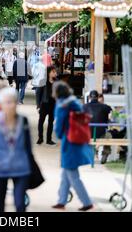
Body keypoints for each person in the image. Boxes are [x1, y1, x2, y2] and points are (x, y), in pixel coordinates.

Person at [0, 87, 32, 212]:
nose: (12, 105)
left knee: (20, 205)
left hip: (21, 167)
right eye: (8, 102)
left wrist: (30, 164)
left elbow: (28, 146)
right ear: (1, 104)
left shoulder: (23, 121)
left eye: (14, 101)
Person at [51, 81, 94, 211]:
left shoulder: (62, 106)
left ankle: (87, 202)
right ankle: (61, 201)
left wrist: (58, 134)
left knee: (72, 175)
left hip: (69, 141)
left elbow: (58, 127)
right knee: (66, 173)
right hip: (78, 139)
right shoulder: (75, 102)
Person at [83, 90, 113, 164]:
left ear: (89, 97)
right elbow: (111, 111)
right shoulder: (105, 107)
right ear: (98, 97)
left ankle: (90, 153)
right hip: (101, 135)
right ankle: (105, 153)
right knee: (108, 135)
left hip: (88, 135)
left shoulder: (84, 107)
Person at [36, 66, 57, 145]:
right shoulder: (42, 81)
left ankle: (49, 139)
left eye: (55, 72)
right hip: (44, 104)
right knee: (41, 121)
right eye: (53, 72)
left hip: (53, 105)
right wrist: (38, 105)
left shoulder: (57, 82)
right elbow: (38, 94)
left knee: (51, 122)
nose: (55, 73)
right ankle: (40, 138)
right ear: (48, 72)